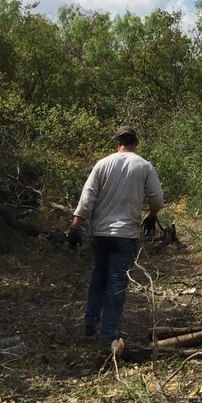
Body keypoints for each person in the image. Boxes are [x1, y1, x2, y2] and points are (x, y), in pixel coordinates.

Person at [68, 125, 163, 352]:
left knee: (99, 276)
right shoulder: (144, 166)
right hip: (125, 235)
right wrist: (152, 216)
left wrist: (75, 227)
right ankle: (107, 334)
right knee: (117, 283)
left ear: (116, 143)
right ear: (135, 143)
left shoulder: (102, 164)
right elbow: (157, 199)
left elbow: (87, 198)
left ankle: (90, 322)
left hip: (99, 233)